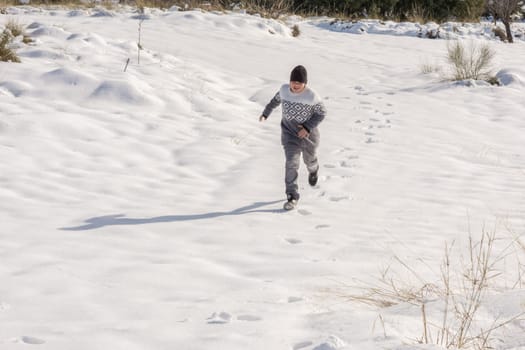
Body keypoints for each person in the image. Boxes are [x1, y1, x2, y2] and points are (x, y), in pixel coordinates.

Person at [259, 65, 327, 210]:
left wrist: (307, 127)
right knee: (291, 163)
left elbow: (321, 113)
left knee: (309, 160)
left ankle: (313, 170)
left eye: (299, 83)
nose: (295, 85)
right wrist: (265, 113)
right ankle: (292, 196)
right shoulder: (284, 90)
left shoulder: (312, 96)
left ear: (305, 83)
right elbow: (274, 101)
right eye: (293, 82)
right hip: (289, 134)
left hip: (309, 136)